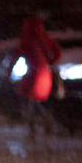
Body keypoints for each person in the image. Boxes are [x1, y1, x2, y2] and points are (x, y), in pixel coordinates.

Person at [15, 12, 61, 140]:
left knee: (31, 101)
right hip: (45, 75)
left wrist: (9, 71)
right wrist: (49, 62)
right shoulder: (45, 38)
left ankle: (34, 128)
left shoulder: (27, 41)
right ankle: (46, 123)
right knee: (36, 101)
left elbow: (17, 55)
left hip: (33, 74)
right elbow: (57, 53)